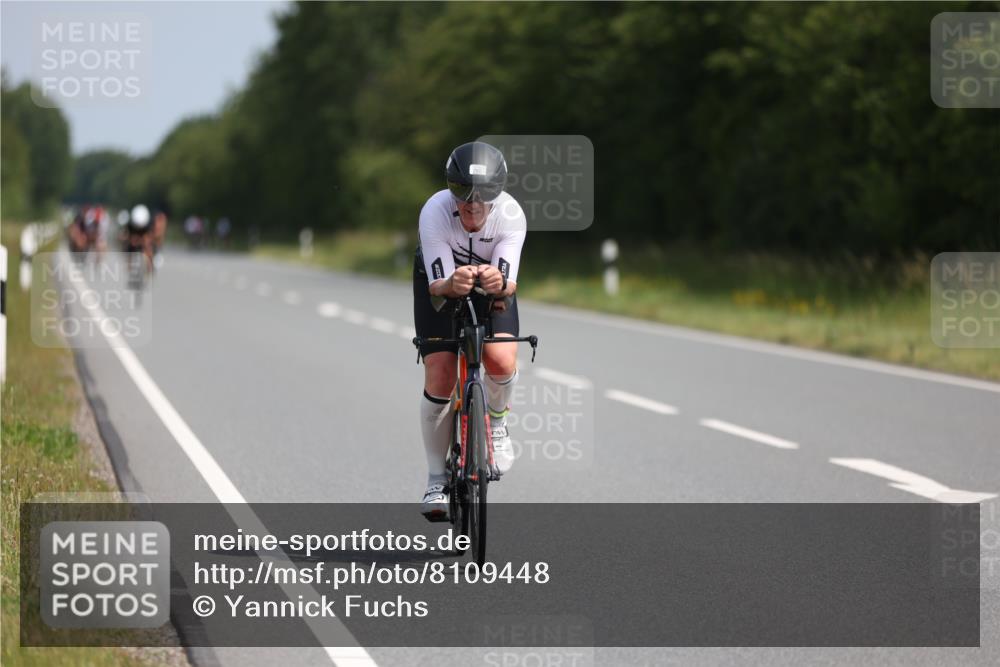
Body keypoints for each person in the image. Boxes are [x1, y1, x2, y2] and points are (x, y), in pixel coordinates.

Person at [414, 141, 526, 520]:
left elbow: (509, 285)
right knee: (441, 373)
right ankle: (436, 478)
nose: (472, 204)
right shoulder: (435, 211)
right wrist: (451, 283)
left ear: (498, 194)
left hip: (490, 285)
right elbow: (437, 286)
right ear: (450, 188)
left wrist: (498, 282)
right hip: (443, 282)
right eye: (462, 192)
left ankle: (497, 423)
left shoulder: (510, 214)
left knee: (501, 359)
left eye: (483, 195)